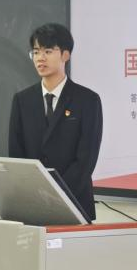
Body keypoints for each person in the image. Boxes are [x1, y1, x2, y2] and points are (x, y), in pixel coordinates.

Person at [8, 23, 103, 220]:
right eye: (36, 52)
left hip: (74, 203)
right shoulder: (22, 100)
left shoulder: (87, 100)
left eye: (48, 51)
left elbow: (86, 160)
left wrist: (55, 195)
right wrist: (33, 194)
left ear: (65, 55)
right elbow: (16, 155)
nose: (40, 58)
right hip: (31, 204)